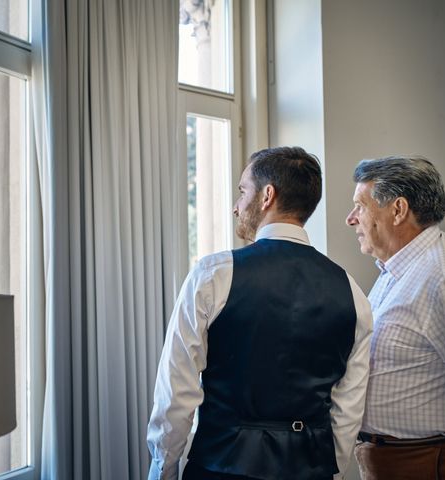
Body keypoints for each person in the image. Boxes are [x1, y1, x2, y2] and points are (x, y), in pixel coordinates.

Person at [147, 146, 373, 480]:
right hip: (311, 471)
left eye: (242, 191)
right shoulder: (352, 291)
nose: (236, 207)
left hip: (221, 468)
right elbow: (347, 409)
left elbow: (176, 393)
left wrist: (162, 469)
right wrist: (331, 472)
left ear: (267, 195)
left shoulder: (213, 275)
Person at [346, 155, 445, 479]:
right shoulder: (398, 268)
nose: (351, 219)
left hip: (426, 462)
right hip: (392, 460)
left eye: (360, 206)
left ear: (398, 210)